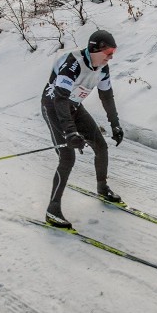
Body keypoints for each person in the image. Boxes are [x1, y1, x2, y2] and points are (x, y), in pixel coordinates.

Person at [41, 30, 125, 228]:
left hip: (75, 106)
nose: (111, 57)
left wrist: (115, 124)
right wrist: (70, 132)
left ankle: (102, 188)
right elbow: (60, 98)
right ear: (95, 49)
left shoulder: (103, 68)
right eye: (109, 52)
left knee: (101, 146)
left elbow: (106, 96)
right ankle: (52, 211)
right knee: (67, 157)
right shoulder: (72, 64)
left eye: (113, 52)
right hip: (54, 107)